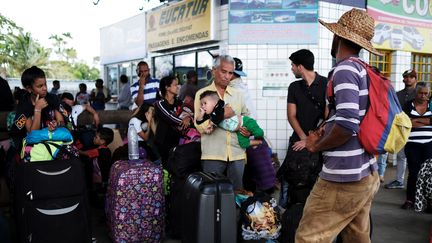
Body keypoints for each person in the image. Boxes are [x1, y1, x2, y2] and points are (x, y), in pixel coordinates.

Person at [296, 9, 380, 242]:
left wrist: (316, 146)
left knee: (308, 237)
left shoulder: (344, 69)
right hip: (366, 172)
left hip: (344, 175)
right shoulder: (364, 69)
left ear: (338, 37)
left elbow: (347, 124)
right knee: (356, 236)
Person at [278, 49, 327, 209]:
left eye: (293, 65)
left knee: (316, 182)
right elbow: (291, 115)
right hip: (298, 141)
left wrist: (311, 140)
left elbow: (329, 117)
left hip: (320, 143)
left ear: (300, 66)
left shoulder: (326, 84)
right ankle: (293, 214)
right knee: (293, 179)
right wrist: (303, 139)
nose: (291, 68)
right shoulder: (294, 87)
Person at [194, 55, 250, 190]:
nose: (227, 76)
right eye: (223, 72)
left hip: (237, 154)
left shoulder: (238, 94)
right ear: (214, 70)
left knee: (237, 194)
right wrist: (223, 115)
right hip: (213, 154)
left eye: (230, 73)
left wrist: (247, 130)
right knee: (213, 195)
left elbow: (246, 117)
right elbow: (200, 126)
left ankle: (235, 213)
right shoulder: (202, 94)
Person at [11, 66, 64, 150]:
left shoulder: (53, 99)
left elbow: (62, 122)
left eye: (45, 84)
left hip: (54, 142)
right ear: (29, 89)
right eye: (40, 86)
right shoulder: (25, 105)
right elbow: (33, 135)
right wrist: (37, 109)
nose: (45, 88)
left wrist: (57, 124)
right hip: (34, 148)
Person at [400, 82, 432, 210]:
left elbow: (413, 122)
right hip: (412, 144)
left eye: (426, 93)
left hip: (429, 144)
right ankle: (410, 200)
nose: (423, 96)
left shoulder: (431, 104)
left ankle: (428, 201)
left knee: (428, 174)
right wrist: (427, 121)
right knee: (413, 172)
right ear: (416, 93)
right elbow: (406, 123)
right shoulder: (408, 105)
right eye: (421, 93)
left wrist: (415, 121)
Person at [196, 90, 263, 148]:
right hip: (239, 130)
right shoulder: (211, 115)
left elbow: (219, 116)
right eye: (201, 104)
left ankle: (259, 138)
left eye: (205, 103)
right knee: (243, 144)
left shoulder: (220, 107)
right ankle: (258, 142)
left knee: (259, 132)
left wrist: (211, 124)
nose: (203, 106)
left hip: (245, 121)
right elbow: (198, 121)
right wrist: (201, 114)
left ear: (214, 103)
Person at [385, 69, 417, 189]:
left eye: (411, 77)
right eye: (406, 77)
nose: (408, 79)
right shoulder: (398, 94)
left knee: (416, 157)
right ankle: (399, 181)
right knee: (401, 156)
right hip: (402, 129)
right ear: (403, 79)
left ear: (415, 79)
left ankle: (417, 182)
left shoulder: (420, 93)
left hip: (416, 130)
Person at [154, 76, 192, 166]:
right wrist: (184, 121)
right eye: (175, 85)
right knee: (166, 167)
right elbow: (170, 117)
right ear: (167, 87)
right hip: (163, 142)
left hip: (177, 141)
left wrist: (188, 118)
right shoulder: (160, 104)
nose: (178, 86)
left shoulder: (179, 102)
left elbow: (190, 113)